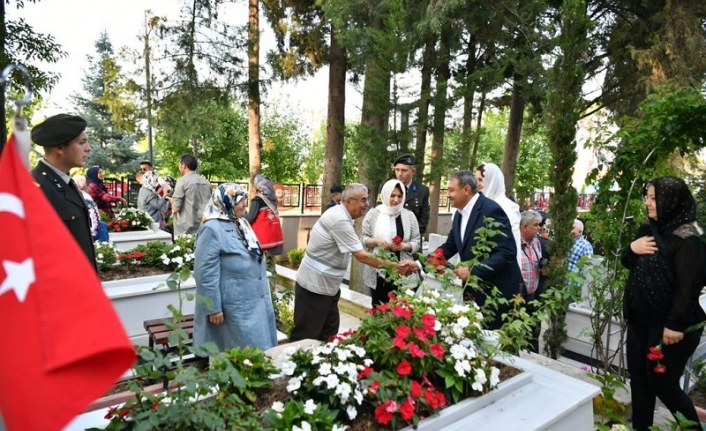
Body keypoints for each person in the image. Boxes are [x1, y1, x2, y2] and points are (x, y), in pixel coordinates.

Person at [621, 176, 706, 431]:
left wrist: (674, 325)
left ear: (672, 201)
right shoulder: (648, 230)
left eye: (654, 198)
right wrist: (632, 248)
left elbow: (688, 287)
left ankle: (692, 429)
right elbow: (628, 261)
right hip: (639, 320)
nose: (648, 202)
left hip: (670, 327)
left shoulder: (688, 239)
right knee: (639, 380)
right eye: (646, 196)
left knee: (663, 383)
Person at [290, 184, 417, 342]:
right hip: (314, 288)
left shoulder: (342, 216)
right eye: (363, 200)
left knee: (328, 335)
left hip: (327, 288)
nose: (367, 204)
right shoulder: (339, 220)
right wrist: (396, 267)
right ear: (349, 201)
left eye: (367, 200)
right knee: (305, 338)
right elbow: (362, 256)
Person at [434, 170, 524, 330]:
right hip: (474, 294)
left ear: (467, 189)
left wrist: (473, 271)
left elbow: (507, 252)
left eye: (451, 190)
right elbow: (449, 247)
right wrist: (422, 264)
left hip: (496, 295)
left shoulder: (491, 210)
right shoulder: (459, 214)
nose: (448, 195)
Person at [193, 183, 278, 352]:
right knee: (238, 357)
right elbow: (204, 273)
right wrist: (213, 308)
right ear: (225, 201)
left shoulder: (241, 223)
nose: (244, 204)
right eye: (239, 200)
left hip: (252, 301)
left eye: (244, 200)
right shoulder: (212, 228)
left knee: (255, 355)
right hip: (233, 307)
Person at [30, 114, 96, 265]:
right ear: (59, 148)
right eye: (82, 142)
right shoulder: (35, 188)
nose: (88, 148)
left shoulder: (65, 182)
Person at [361, 179, 421, 306]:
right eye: (392, 195)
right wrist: (376, 241)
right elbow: (364, 239)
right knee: (379, 308)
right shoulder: (373, 214)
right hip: (378, 271)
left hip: (403, 270)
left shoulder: (409, 216)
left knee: (402, 310)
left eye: (400, 196)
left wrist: (405, 245)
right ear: (385, 194)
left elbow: (417, 241)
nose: (396, 200)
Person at [475, 162, 522, 270]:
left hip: (499, 266)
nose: (477, 184)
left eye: (481, 180)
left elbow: (513, 244)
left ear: (493, 181)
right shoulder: (477, 205)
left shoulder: (509, 207)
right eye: (476, 179)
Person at [519, 210, 549, 353]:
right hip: (517, 299)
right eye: (535, 225)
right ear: (524, 227)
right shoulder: (514, 245)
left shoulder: (537, 243)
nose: (539, 228)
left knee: (533, 334)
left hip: (533, 297)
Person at [247, 174, 284, 270]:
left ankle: (267, 285)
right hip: (274, 240)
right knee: (270, 267)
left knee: (262, 269)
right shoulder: (273, 200)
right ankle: (272, 284)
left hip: (263, 242)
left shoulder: (257, 200)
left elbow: (250, 218)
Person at [170, 153, 212, 237]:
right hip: (204, 226)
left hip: (185, 229)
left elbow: (176, 207)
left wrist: (171, 200)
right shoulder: (206, 183)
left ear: (183, 166)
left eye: (179, 165)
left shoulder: (182, 181)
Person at [393, 154, 430, 238]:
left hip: (413, 239)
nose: (400, 174)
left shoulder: (422, 190)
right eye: (397, 170)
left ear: (413, 171)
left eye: (404, 170)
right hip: (390, 238)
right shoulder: (387, 187)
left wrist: (412, 237)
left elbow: (424, 218)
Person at [73, 175, 109, 242]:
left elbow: (93, 213)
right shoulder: (83, 195)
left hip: (91, 232)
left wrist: (93, 229)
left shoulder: (84, 196)